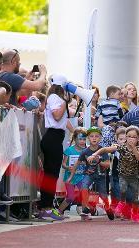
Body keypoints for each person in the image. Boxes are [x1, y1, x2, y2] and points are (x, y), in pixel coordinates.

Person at [39, 75, 75, 218]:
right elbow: (57, 116)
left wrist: (74, 131)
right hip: (52, 138)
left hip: (55, 138)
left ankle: (47, 206)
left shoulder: (56, 98)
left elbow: (63, 120)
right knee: (51, 174)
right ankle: (45, 207)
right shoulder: (55, 98)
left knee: (52, 174)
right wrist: (65, 102)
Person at [95, 126, 139, 222]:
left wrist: (133, 147)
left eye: (134, 137)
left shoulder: (138, 149)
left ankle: (135, 213)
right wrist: (95, 153)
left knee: (134, 198)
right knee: (122, 188)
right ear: (126, 137)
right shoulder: (122, 148)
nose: (131, 139)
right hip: (122, 175)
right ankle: (121, 202)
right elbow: (106, 149)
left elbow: (138, 158)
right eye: (129, 136)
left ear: (138, 139)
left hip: (134, 177)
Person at [67, 126, 112, 221]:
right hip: (89, 174)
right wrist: (71, 176)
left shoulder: (102, 150)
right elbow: (76, 164)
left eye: (96, 136)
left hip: (101, 175)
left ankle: (107, 207)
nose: (94, 138)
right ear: (88, 138)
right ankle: (85, 206)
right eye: (91, 136)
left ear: (100, 138)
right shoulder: (85, 151)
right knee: (84, 186)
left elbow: (108, 164)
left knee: (103, 195)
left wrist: (99, 161)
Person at [58, 127, 88, 218]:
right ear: (75, 139)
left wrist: (85, 163)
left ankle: (83, 212)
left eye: (84, 139)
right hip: (70, 177)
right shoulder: (69, 150)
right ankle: (59, 211)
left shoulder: (86, 151)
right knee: (70, 197)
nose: (82, 141)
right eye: (80, 139)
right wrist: (68, 167)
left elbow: (88, 163)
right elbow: (63, 164)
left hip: (81, 176)